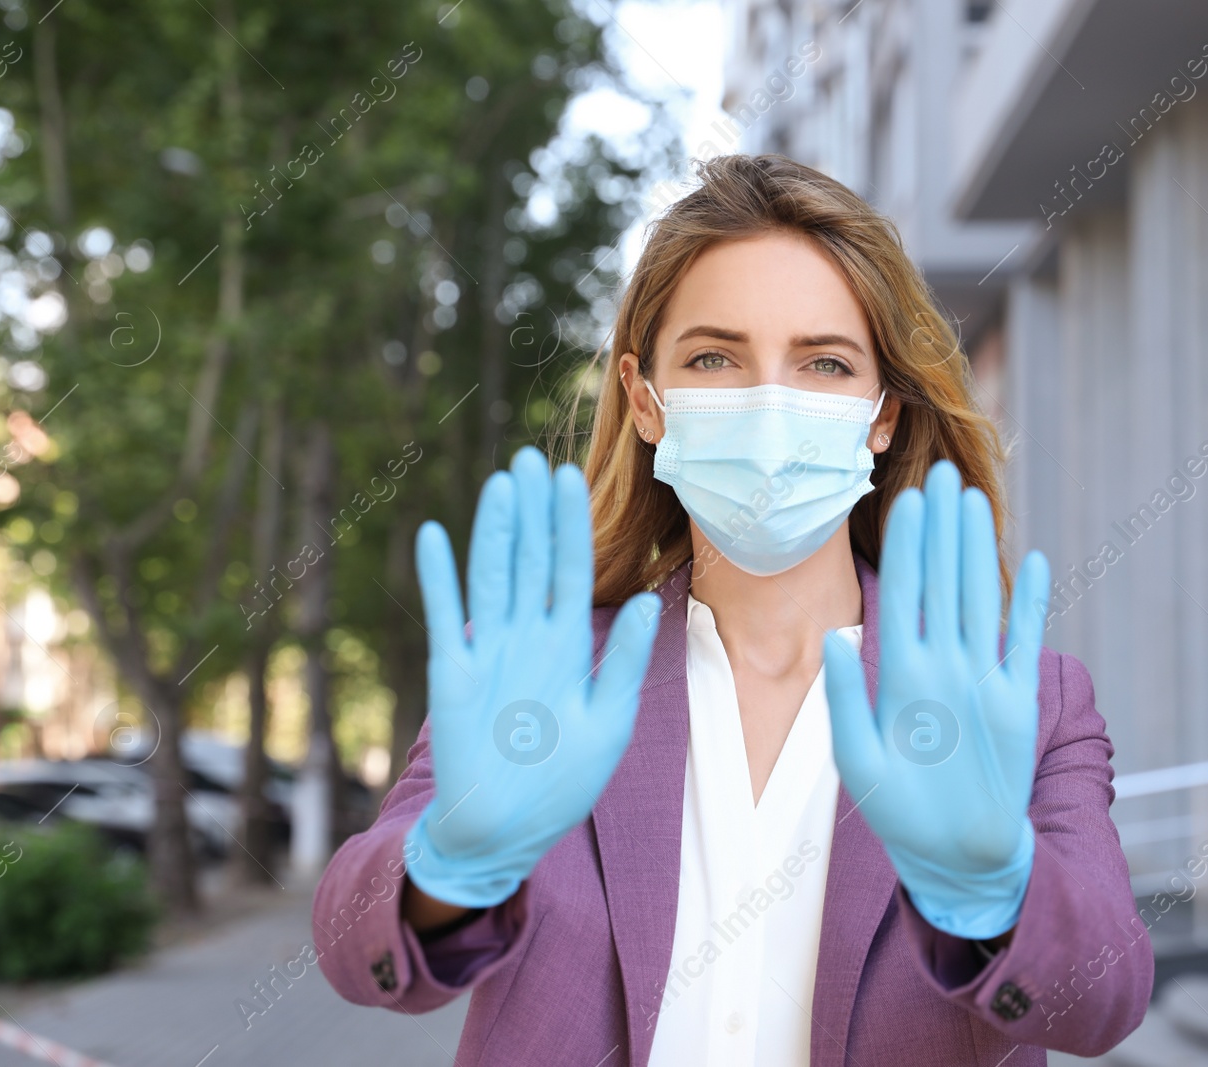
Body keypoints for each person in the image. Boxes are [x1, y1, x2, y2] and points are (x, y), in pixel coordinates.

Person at [313, 154, 1152, 1065]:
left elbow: (1104, 1000)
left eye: (824, 363)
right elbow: (355, 950)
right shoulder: (545, 671)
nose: (768, 404)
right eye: (714, 356)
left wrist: (996, 891)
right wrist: (450, 864)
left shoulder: (1025, 700)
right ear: (644, 399)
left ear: (882, 414)